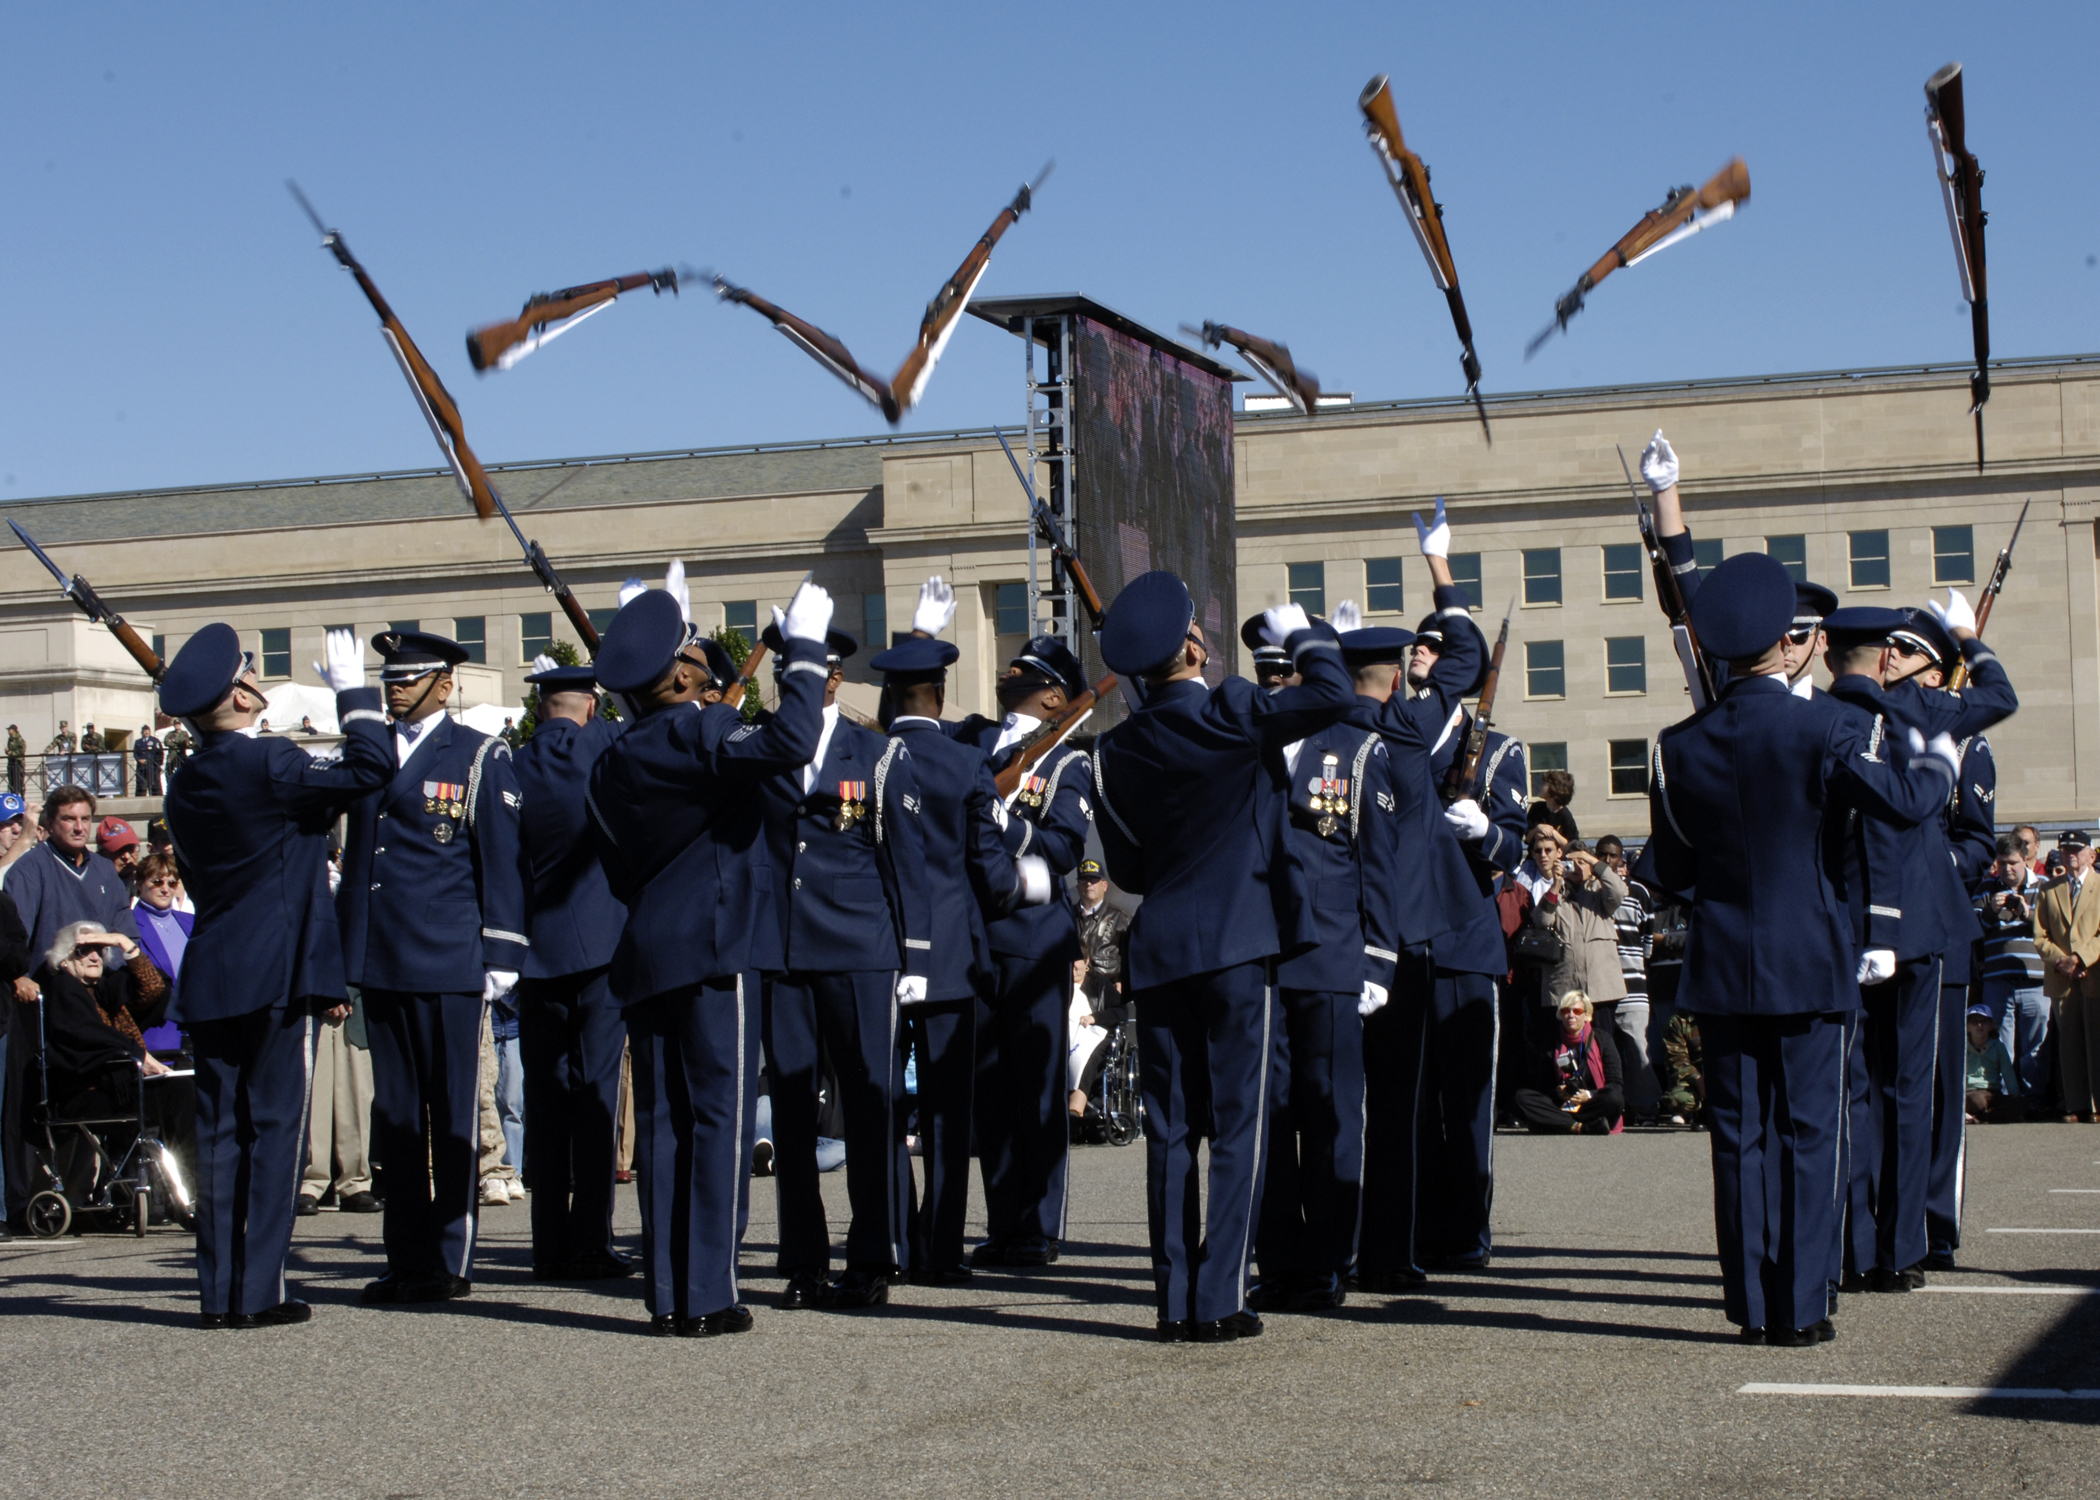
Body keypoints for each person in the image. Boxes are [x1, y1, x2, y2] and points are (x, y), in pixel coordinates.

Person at [1644, 550, 1962, 1346]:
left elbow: (1675, 866)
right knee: (1810, 1133)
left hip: (1722, 958)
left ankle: (1751, 1303)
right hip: (1811, 956)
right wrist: (1937, 748)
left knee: (1740, 1138)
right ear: (1793, 640)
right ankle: (1801, 1307)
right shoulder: (1827, 726)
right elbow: (1902, 804)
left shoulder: (1679, 743)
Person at [1091, 570, 1353, 1342]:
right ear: (1196, 648)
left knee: (1171, 1130)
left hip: (1162, 947)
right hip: (1239, 943)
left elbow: (1131, 871)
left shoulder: (1113, 750)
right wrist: (1302, 633)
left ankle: (1174, 1302)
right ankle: (1220, 1297)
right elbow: (1331, 695)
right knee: (1241, 1124)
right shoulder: (1234, 707)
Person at [587, 583, 832, 1336]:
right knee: (719, 1119)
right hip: (716, 943)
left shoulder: (612, 759)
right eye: (696, 655)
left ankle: (668, 1295)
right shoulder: (700, 733)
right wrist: (805, 655)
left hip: (649, 948)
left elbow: (618, 866)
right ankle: (709, 1293)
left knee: (662, 1125)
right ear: (686, 678)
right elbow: (790, 743)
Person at [157, 622, 391, 1326]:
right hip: (275, 973)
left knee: (221, 1136)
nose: (257, 678)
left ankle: (218, 1293)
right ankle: (259, 1294)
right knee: (276, 1129)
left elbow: (201, 875)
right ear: (238, 693)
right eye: (250, 671)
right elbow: (370, 769)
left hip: (213, 971)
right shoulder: (270, 762)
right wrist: (355, 695)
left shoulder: (184, 780)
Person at [907, 585, 1096, 1272]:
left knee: (1037, 1088)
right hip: (970, 933)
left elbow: (1064, 847)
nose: (1011, 675)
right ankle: (1002, 1220)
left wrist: (1004, 822)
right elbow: (915, 728)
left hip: (1032, 937)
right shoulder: (973, 740)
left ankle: (1038, 1227)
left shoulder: (1068, 762)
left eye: (1029, 673)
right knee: (989, 1091)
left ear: (1054, 697)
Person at [337, 629, 527, 1306]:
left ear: (444, 685)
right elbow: (360, 859)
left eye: (409, 678)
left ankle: (449, 1257)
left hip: (449, 958)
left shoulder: (478, 755)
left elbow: (499, 859)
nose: (394, 687)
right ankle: (405, 1255)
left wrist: (502, 950)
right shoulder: (370, 751)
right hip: (383, 955)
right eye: (388, 678)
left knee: (449, 1116)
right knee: (395, 1115)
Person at [756, 613, 930, 1311]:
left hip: (860, 947)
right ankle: (803, 1259)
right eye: (783, 675)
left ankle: (873, 1255)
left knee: (869, 1101)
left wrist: (913, 953)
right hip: (783, 946)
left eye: (805, 672)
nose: (792, 685)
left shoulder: (878, 755)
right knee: (792, 1108)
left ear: (832, 677)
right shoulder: (764, 749)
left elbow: (906, 861)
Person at [869, 633, 1043, 1284]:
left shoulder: (868, 757)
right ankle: (940, 1253)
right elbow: (992, 876)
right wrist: (1035, 885)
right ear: (940, 695)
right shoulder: (964, 765)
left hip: (879, 956)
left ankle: (893, 1244)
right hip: (949, 959)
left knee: (883, 1107)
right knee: (946, 1115)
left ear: (891, 696)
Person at [1248, 613, 1403, 1314]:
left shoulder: (1359, 750)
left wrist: (1379, 960)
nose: (1278, 684)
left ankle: (1329, 1257)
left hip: (1338, 956)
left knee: (1333, 1109)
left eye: (1289, 673)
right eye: (1268, 675)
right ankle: (1280, 1258)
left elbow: (1380, 864)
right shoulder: (1247, 745)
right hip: (1262, 959)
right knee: (1271, 1116)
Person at [512, 654, 631, 1281]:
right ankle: (590, 1238)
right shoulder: (600, 745)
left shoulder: (514, 762)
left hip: (532, 953)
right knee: (595, 1096)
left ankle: (548, 1242)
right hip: (600, 948)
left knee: (545, 1099)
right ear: (590, 705)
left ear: (539, 708)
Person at [2035, 828, 2100, 1123]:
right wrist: (2062, 960)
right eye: (2065, 850)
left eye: (2076, 850)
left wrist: (2081, 958)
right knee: (2069, 1043)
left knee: (2096, 1040)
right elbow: (2040, 935)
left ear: (2091, 854)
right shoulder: (2049, 889)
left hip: (2092, 973)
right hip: (2062, 976)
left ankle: (2096, 1105)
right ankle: (2075, 1104)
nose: (2071, 855)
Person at [1976, 835, 2048, 1101]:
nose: (2007, 869)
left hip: (2036, 979)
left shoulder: (2043, 886)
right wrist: (1989, 913)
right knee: (1999, 1045)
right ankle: (2003, 1101)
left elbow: (2052, 930)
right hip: (1997, 978)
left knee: (2037, 1045)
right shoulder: (1985, 888)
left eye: (2014, 863)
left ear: (2026, 858)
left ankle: (2035, 1101)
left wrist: (2028, 915)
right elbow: (1973, 931)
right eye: (2003, 863)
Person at [1594, 834, 1655, 1119]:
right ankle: (1612, 1108)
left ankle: (1644, 1107)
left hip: (1633, 985)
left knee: (1638, 1046)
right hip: (1602, 984)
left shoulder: (1639, 892)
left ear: (1622, 859)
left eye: (1613, 856)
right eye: (1602, 855)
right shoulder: (1591, 890)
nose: (1608, 861)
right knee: (1608, 1049)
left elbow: (1647, 944)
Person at [1509, 991, 1624, 1133]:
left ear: (1587, 1015)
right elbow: (1542, 1085)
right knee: (1521, 1098)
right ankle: (1580, 1127)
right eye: (1565, 1011)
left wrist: (1589, 1095)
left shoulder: (1603, 1039)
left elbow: (1615, 1084)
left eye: (1577, 1011)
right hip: (1563, 1106)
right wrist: (1559, 1092)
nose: (1571, 1015)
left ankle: (1558, 1124)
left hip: (1592, 1105)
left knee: (1614, 1098)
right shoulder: (1551, 1043)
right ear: (1560, 1015)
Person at [1070, 862, 1131, 1120]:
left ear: (1104, 885)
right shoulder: (1065, 916)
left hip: (1103, 998)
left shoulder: (1119, 920)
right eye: (1084, 879)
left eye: (1094, 880)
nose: (1088, 884)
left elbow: (1130, 957)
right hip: (1072, 996)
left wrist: (1124, 984)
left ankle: (1079, 1101)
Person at [129, 850, 190, 1054]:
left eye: (172, 883)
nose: (165, 889)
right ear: (139, 884)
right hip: (157, 1032)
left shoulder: (190, 922)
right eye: (157, 882)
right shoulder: (128, 926)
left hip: (196, 1030)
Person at [1963, 1005, 2024, 1123]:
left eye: (1984, 1022)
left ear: (1991, 1025)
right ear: (1967, 1027)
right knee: (1976, 1101)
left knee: (2021, 1103)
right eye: (1974, 1022)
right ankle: (1992, 1116)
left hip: (1993, 1093)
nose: (1979, 1025)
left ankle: (1980, 1118)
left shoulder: (1998, 1047)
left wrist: (2015, 1096)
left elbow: (2008, 1073)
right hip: (1972, 1092)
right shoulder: (1962, 1048)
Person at [1657, 1011, 1704, 1126]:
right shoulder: (1680, 1021)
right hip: (1696, 1079)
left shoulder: (1727, 1016)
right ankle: (1701, 1113)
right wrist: (1698, 1080)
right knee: (1678, 1099)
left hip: (1726, 1075)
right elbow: (1676, 1058)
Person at [1525, 770, 1578, 842]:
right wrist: (1537, 829)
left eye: (1544, 784)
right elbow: (1527, 838)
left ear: (1554, 788)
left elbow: (1572, 845)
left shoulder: (1565, 816)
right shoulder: (1536, 808)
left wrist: (1552, 833)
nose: (1540, 786)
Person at [97, 816, 141, 893]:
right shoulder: (96, 888)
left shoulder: (152, 883)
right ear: (102, 854)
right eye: (119, 850)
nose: (127, 856)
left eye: (131, 848)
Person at [133, 725, 163, 796]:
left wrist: (158, 764)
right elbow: (135, 753)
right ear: (142, 732)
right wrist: (139, 760)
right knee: (141, 784)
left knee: (154, 783)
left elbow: (160, 752)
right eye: (144, 731)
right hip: (141, 767)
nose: (146, 733)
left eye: (147, 731)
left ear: (150, 732)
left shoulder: (155, 741)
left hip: (152, 766)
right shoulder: (138, 742)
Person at [7, 724, 25, 795]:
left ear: (14, 730)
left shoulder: (19, 739)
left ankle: (21, 794)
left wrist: (12, 753)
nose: (8, 731)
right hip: (11, 762)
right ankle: (13, 794)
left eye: (10, 730)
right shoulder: (10, 739)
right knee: (11, 779)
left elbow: (22, 750)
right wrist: (8, 752)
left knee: (19, 780)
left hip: (18, 762)